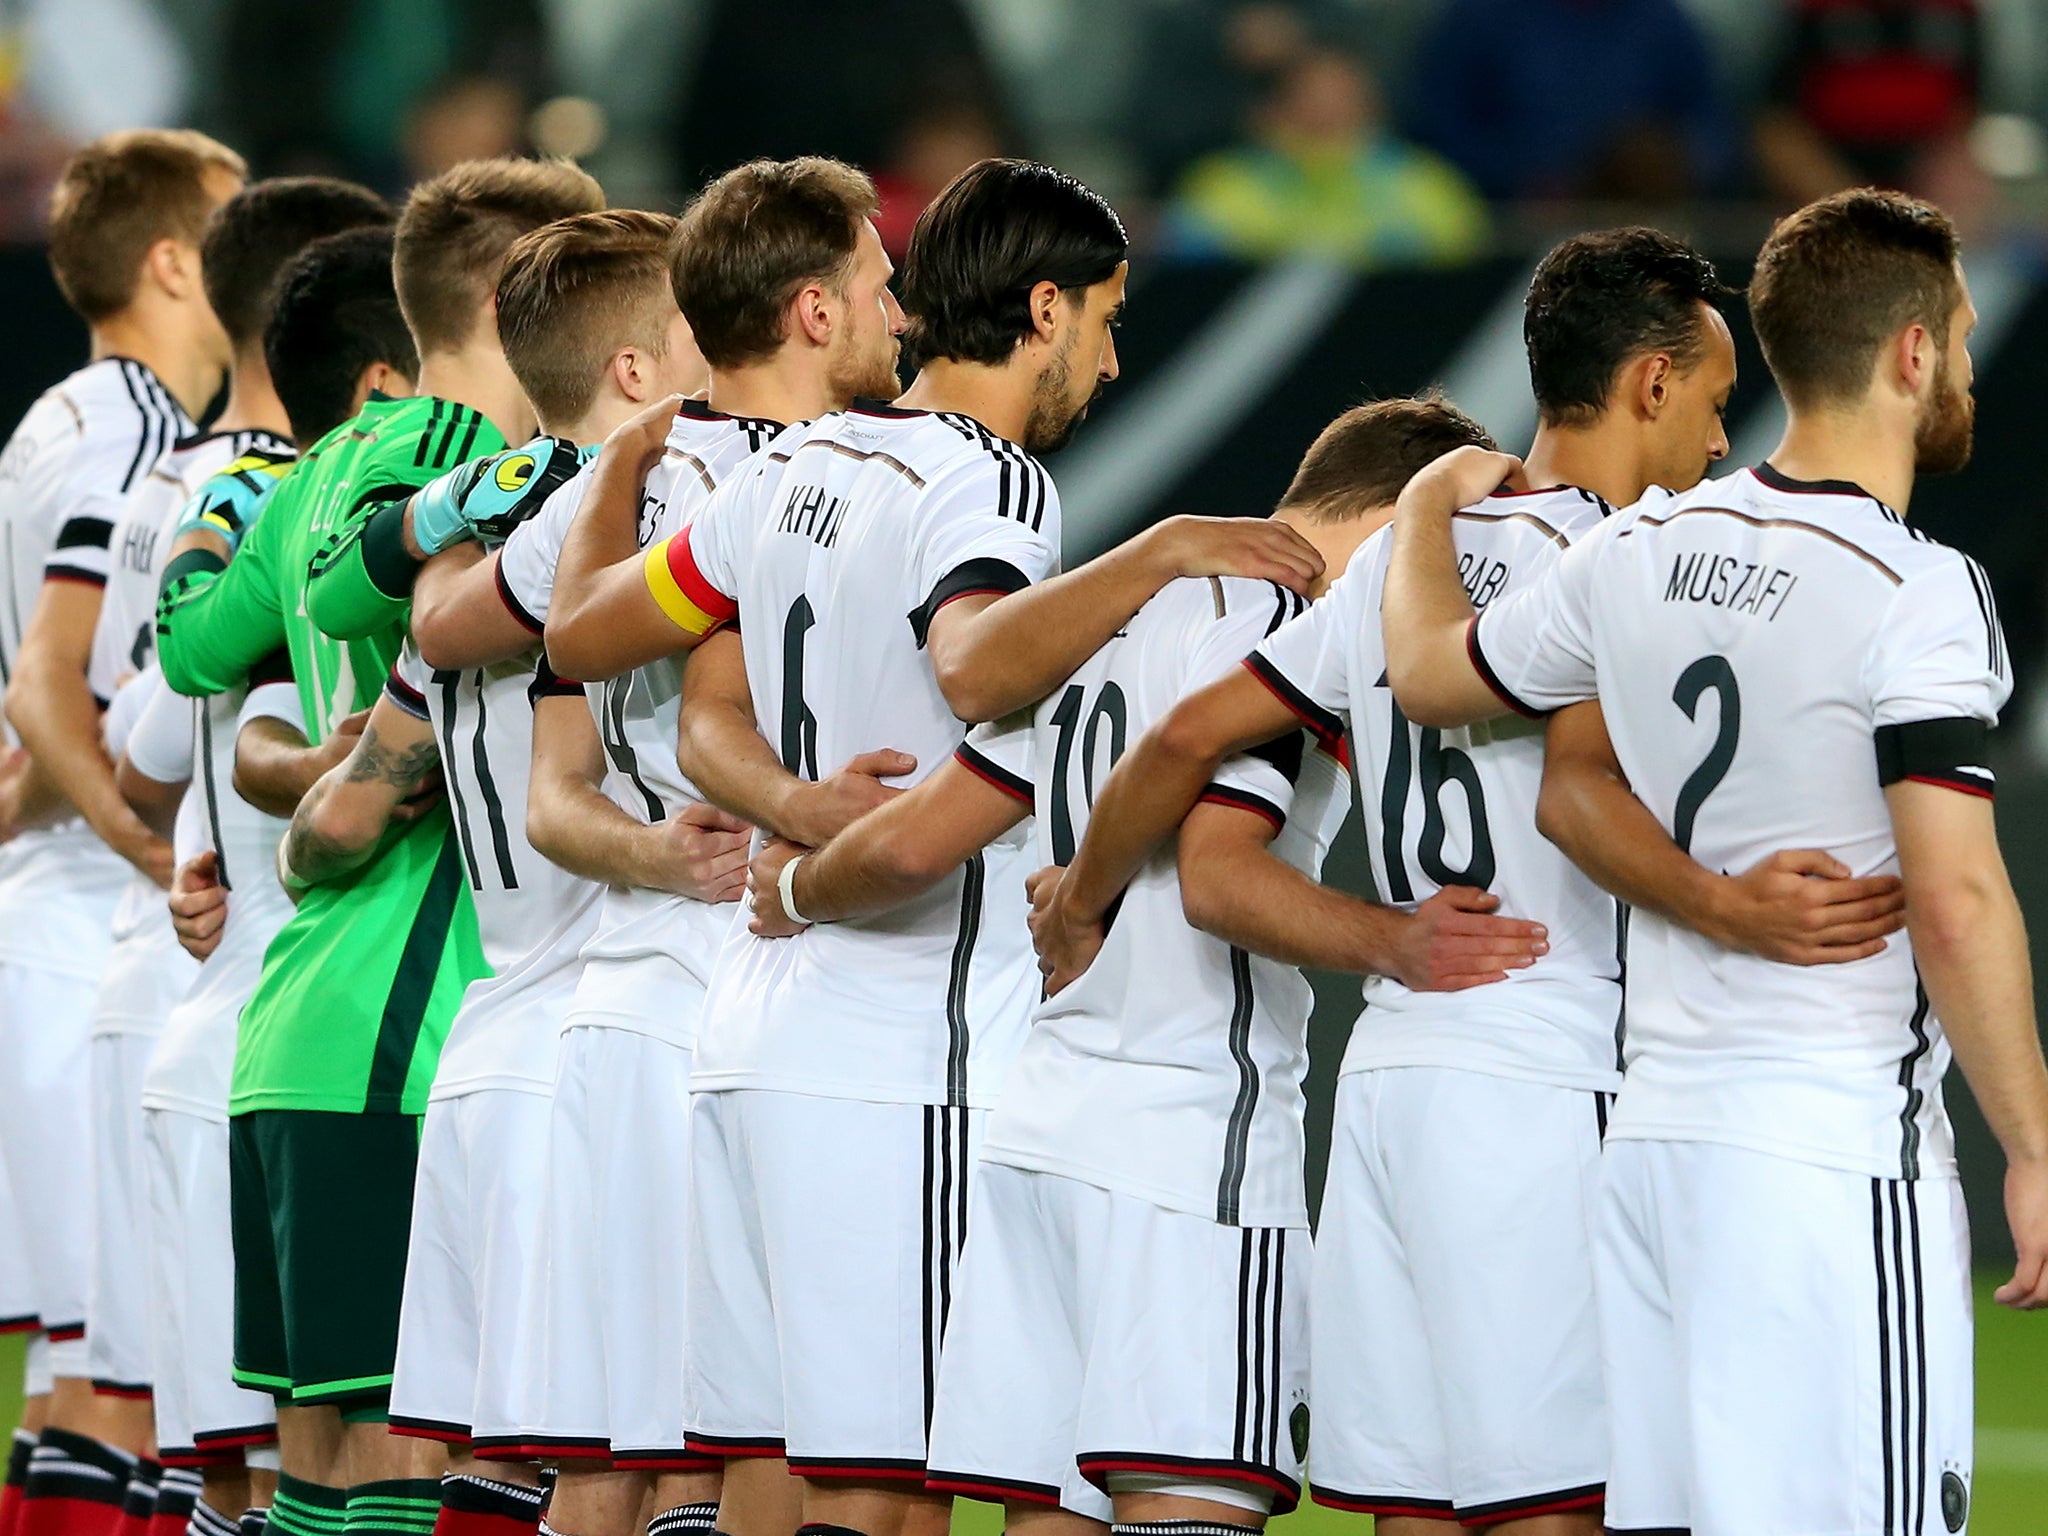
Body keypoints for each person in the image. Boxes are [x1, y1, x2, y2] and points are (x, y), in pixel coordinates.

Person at [543, 157, 1321, 1536]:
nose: (1114, 356)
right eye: (1106, 316)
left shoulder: (796, 467)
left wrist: (623, 479)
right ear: (1043, 307)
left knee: (755, 1490)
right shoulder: (991, 483)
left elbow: (584, 633)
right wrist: (1155, 557)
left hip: (750, 1038)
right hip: (905, 1054)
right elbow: (970, 668)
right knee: (882, 1505)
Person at [739, 394, 1545, 1536]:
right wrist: (1392, 944)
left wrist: (782, 888)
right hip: (1188, 1145)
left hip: (1038, 1143)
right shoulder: (1288, 632)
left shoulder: (1107, 617)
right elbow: (1215, 873)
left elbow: (917, 839)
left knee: (1045, 1520)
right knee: (1185, 1507)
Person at [1378, 187, 2048, 1536]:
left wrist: (1415, 518)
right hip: (1825, 1156)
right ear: (1911, 353)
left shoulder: (1640, 546)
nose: (1969, 365)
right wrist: (2033, 1147)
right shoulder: (1918, 588)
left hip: (1658, 1157)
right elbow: (1959, 896)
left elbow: (1434, 680)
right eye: (1962, 337)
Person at [151, 157, 603, 1536]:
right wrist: (453, 515)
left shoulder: (303, 471)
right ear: (496, 292)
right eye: (561, 270)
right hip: (417, 1003)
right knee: (418, 1465)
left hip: (303, 1004)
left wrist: (216, 527)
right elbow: (368, 576)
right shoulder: (450, 453)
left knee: (320, 1471)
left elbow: (195, 646)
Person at [288, 207, 708, 1536]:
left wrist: (261, 829)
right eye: (697, 326)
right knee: (652, 1464)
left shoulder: (476, 553)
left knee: (488, 1475)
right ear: (633, 367)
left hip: (494, 1043)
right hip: (612, 1032)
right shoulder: (645, 523)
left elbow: (337, 828)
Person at [77, 176, 392, 1536]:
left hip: (198, 1022)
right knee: (339, 1460)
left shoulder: (182, 490)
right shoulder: (320, 507)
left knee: (228, 1475)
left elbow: (148, 743)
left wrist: (184, 849)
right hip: (304, 1013)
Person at [0, 127, 245, 1536]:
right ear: (171, 259)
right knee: (121, 1379)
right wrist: (145, 845)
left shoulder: (54, 418)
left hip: (53, 923)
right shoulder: (149, 441)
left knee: (74, 1372)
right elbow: (51, 682)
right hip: (96, 918)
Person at [1163, 46, 1488, 268]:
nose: (1328, 111)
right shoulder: (1224, 183)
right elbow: (1190, 251)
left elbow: (1466, 247)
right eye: (1312, 99)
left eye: (1342, 98)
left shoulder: (1423, 182)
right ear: (1276, 108)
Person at [1406, 0, 1737, 203]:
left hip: (1641, 222)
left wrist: (1677, 167)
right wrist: (1519, 183)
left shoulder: (1661, 20)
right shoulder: (1481, 17)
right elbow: (1438, 126)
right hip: (1505, 225)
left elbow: (1712, 124)